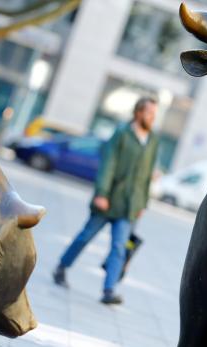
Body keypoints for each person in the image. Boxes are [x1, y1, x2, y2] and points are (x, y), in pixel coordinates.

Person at [52, 97, 159, 304]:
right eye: (149, 113)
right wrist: (101, 193)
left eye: (155, 114)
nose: (153, 118)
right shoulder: (121, 134)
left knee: (119, 247)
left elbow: (146, 176)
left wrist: (143, 203)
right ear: (138, 113)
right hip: (109, 200)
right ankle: (61, 267)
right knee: (85, 237)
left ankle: (109, 291)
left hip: (130, 206)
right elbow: (107, 165)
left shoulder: (153, 140)